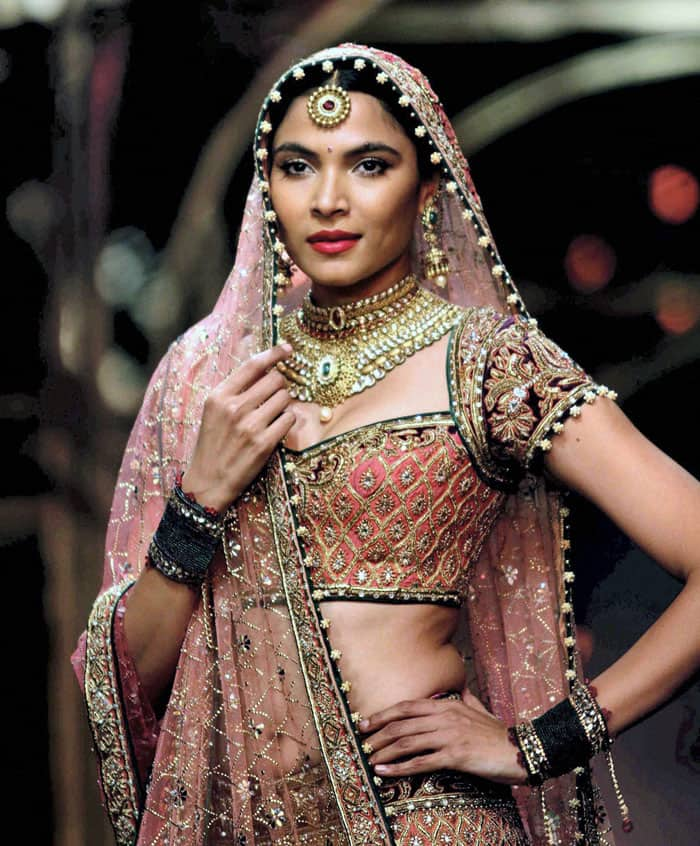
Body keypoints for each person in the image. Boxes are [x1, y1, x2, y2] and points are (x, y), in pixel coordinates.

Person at [72, 43, 700, 846]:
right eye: (299, 168)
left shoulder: (490, 364)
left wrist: (541, 741)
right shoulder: (207, 380)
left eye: (369, 165)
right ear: (269, 190)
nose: (329, 200)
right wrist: (200, 500)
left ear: (428, 187)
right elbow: (126, 681)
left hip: (424, 822)